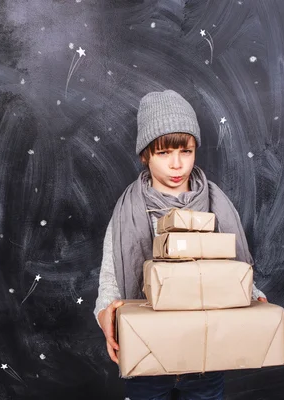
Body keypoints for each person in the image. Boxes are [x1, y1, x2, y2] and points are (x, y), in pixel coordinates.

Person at [93, 89, 268, 400]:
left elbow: (234, 268)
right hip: (147, 353)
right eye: (163, 153)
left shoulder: (216, 204)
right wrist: (107, 315)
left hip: (205, 356)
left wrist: (253, 298)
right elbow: (111, 281)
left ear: (195, 149)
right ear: (144, 155)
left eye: (185, 151)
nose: (176, 164)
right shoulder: (128, 211)